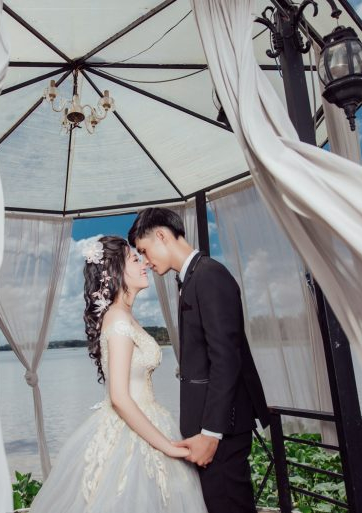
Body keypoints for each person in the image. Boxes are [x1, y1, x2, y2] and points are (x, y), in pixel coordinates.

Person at [28, 235, 208, 513]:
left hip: (147, 418)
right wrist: (169, 447)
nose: (144, 263)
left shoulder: (125, 316)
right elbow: (120, 397)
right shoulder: (119, 321)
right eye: (135, 259)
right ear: (115, 272)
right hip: (129, 428)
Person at [129, 208, 270, 513]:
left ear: (161, 235)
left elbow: (226, 359)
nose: (146, 261)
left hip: (221, 431)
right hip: (207, 428)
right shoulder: (193, 278)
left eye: (144, 250)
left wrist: (211, 434)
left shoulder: (209, 276)